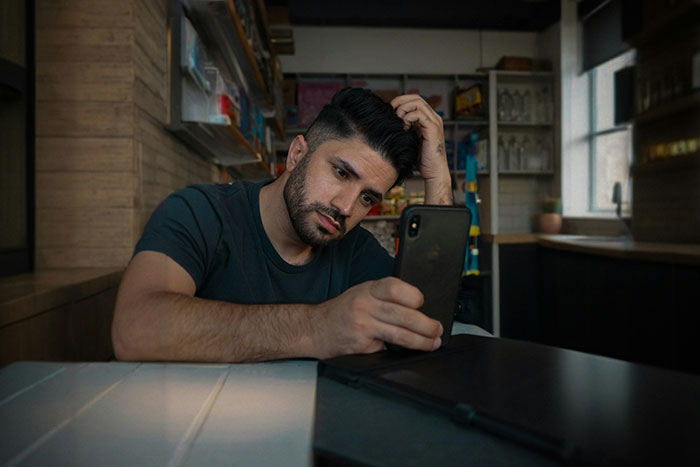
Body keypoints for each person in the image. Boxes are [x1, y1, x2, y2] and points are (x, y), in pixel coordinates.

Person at [112, 88, 453, 362]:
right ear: (296, 155)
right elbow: (135, 328)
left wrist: (439, 176)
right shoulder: (201, 213)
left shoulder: (355, 250)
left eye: (367, 198)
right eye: (341, 173)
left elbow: (427, 325)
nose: (345, 207)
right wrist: (317, 328)